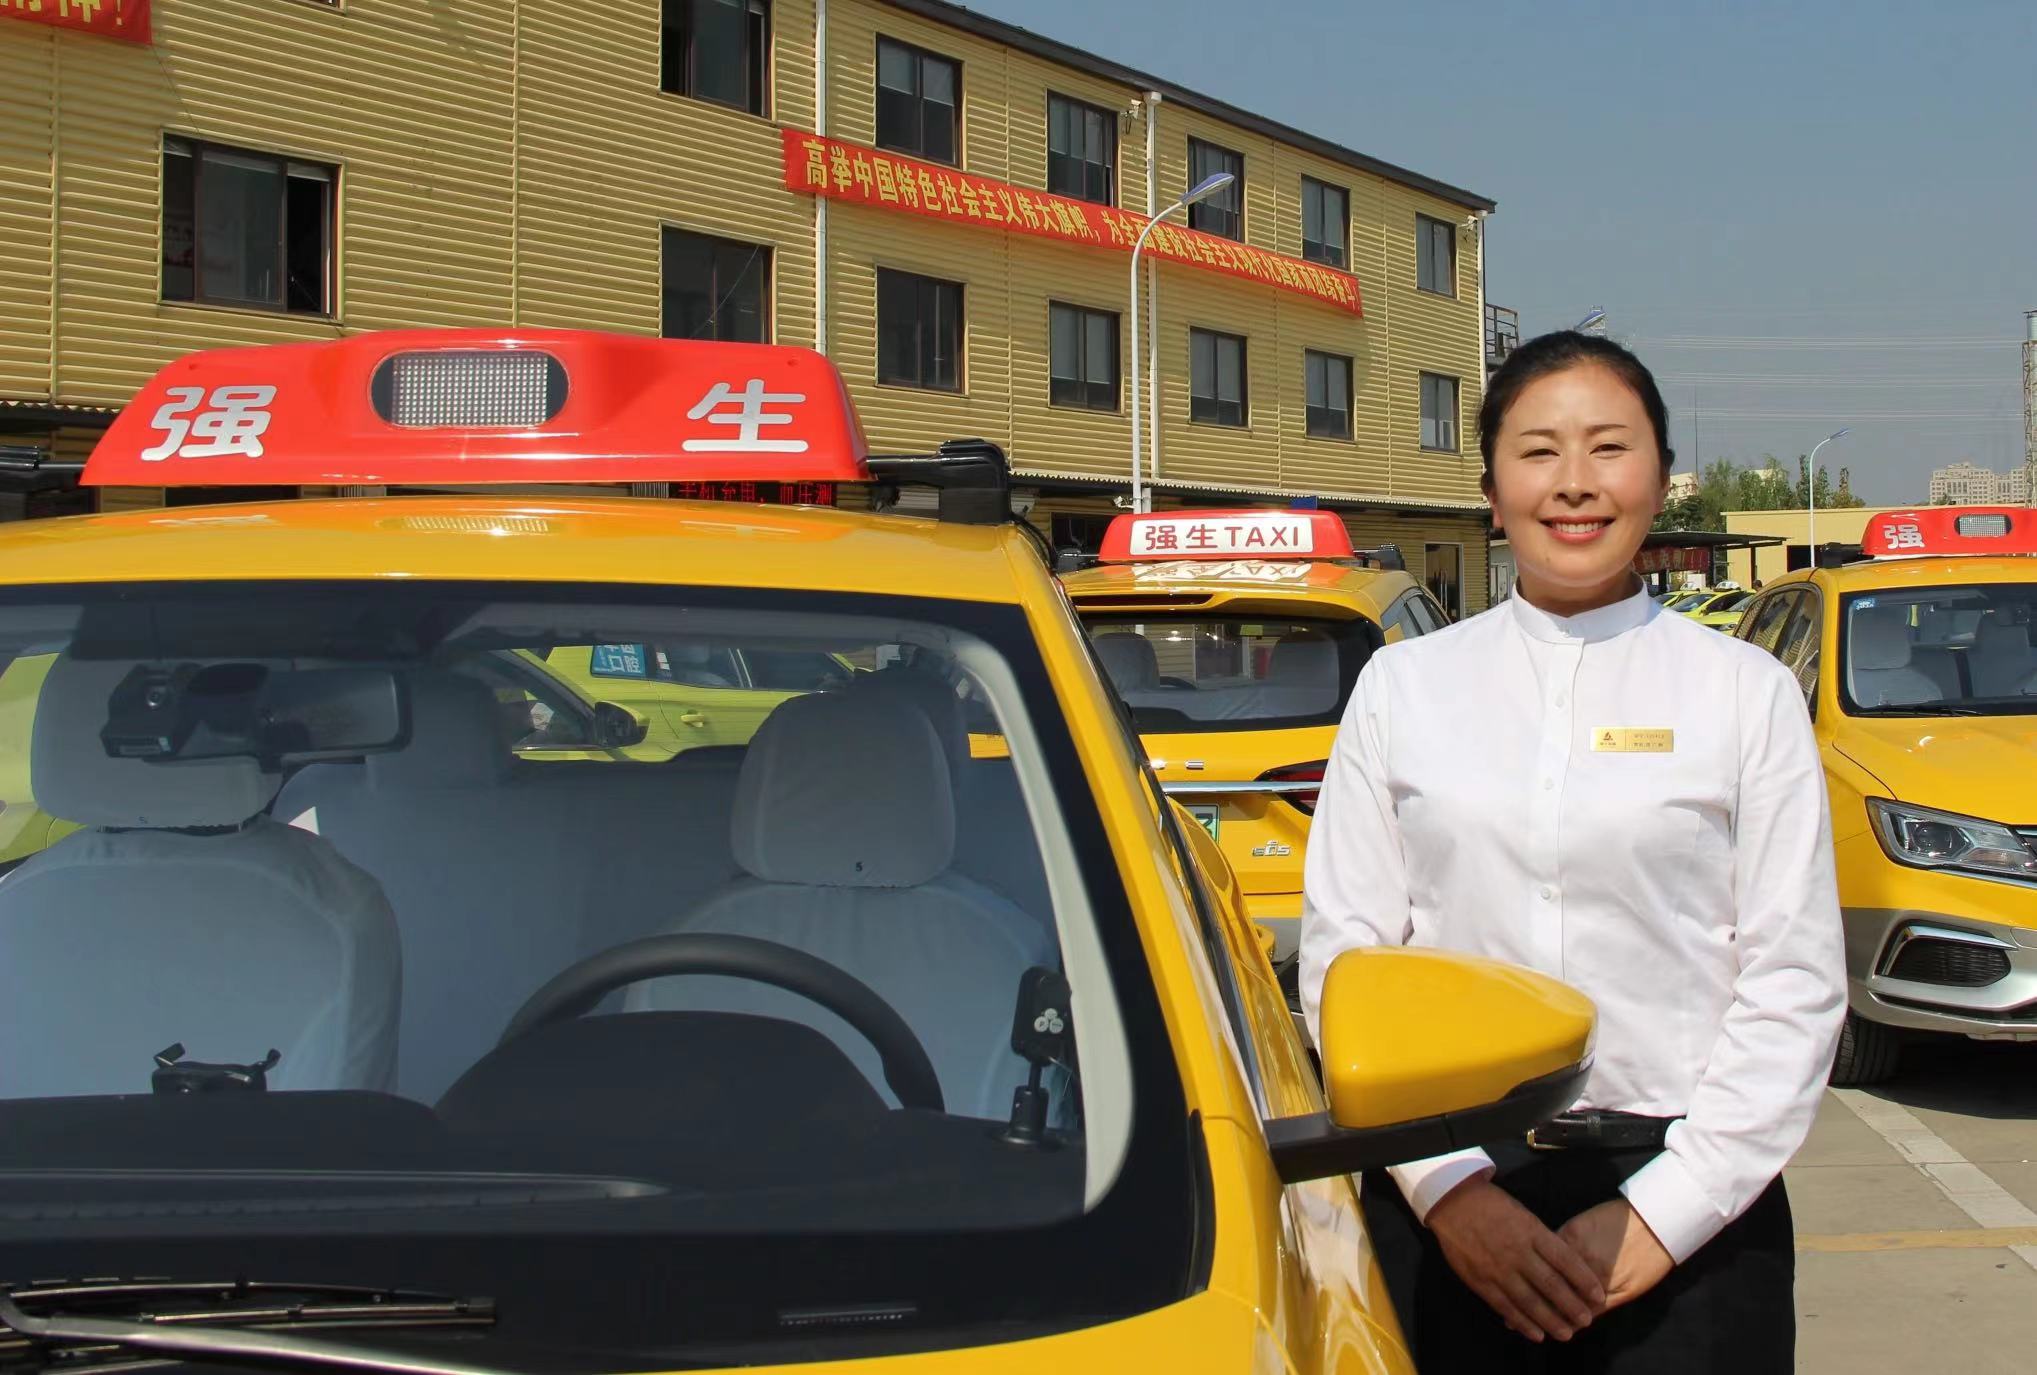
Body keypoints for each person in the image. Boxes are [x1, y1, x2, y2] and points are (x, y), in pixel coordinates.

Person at [1299, 331, 1845, 1373]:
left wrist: (1661, 1217)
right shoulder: (1405, 689)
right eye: (1539, 450)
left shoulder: (1744, 693)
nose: (1575, 482)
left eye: (1609, 446)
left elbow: (1795, 980)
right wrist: (1452, 1195)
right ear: (1491, 490)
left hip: (1692, 1219)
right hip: (1449, 1209)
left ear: (1661, 479)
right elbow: (1346, 960)